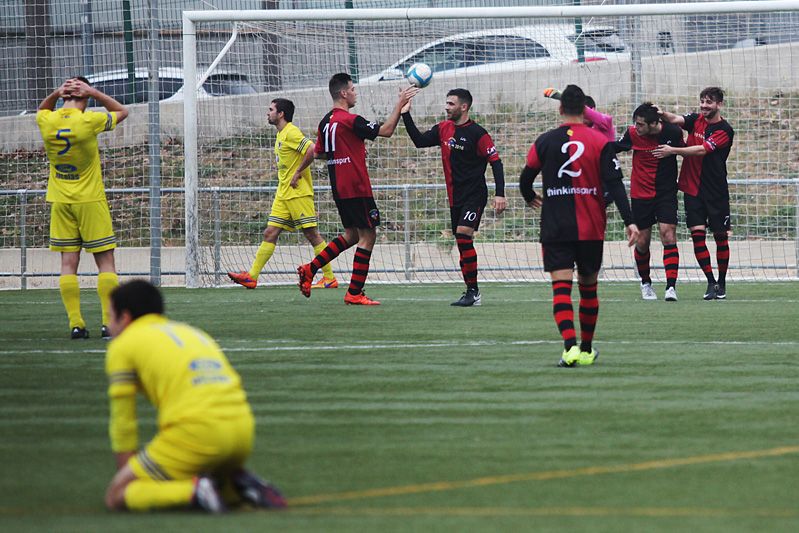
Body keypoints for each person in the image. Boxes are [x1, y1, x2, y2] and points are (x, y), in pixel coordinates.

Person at [103, 279, 286, 513]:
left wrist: (125, 476)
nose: (109, 326)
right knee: (198, 471)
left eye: (110, 317)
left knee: (117, 495)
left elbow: (124, 422)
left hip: (197, 436)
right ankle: (233, 486)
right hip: (243, 432)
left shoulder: (123, 345)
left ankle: (194, 491)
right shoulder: (191, 332)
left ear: (125, 317)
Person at [520, 85, 638, 367]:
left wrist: (530, 197)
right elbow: (615, 184)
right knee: (588, 289)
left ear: (561, 109)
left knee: (561, 289)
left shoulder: (545, 141)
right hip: (590, 227)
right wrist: (629, 220)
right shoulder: (599, 142)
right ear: (585, 110)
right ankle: (585, 350)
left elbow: (526, 177)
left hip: (556, 226)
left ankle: (569, 347)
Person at [294, 73, 418, 305]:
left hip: (339, 187)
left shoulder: (326, 121)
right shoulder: (350, 120)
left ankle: (310, 269)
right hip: (356, 186)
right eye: (352, 89)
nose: (355, 92)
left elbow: (319, 151)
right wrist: (400, 103)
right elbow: (387, 130)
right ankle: (354, 292)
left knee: (352, 234)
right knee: (368, 235)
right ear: (343, 93)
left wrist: (349, 149)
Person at [36, 77, 129, 340]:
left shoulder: (47, 121)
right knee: (106, 262)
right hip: (90, 200)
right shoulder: (88, 121)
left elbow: (42, 110)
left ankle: (76, 325)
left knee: (68, 264)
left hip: (60, 201)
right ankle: (108, 324)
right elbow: (122, 111)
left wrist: (55, 92)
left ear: (64, 96)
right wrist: (95, 92)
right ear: (85, 99)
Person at [401, 88, 506, 306]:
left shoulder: (478, 134)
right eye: (446, 103)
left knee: (463, 235)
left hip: (475, 195)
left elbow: (496, 162)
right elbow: (419, 141)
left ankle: (473, 292)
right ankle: (471, 291)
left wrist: (500, 194)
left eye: (451, 104)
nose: (446, 107)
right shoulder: (443, 129)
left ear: (464, 107)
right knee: (461, 241)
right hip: (454, 197)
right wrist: (405, 114)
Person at [227, 98, 337, 290]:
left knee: (312, 235)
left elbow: (311, 149)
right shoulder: (280, 135)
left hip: (297, 193)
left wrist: (297, 172)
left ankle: (329, 278)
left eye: (270, 110)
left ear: (281, 114)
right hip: (283, 194)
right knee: (270, 232)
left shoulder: (291, 132)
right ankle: (252, 277)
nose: (267, 113)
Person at [653, 87, 734, 300]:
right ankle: (711, 283)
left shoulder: (724, 130)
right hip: (691, 188)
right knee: (697, 236)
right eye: (702, 101)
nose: (704, 106)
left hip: (715, 192)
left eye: (709, 102)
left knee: (720, 237)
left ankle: (722, 282)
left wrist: (674, 151)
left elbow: (702, 150)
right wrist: (661, 113)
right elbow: (676, 118)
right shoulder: (695, 119)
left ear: (719, 105)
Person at [614, 103, 685, 301]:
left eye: (641, 124)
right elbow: (615, 147)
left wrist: (672, 151)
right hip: (640, 194)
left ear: (655, 123)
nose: (637, 128)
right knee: (643, 242)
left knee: (668, 234)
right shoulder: (632, 134)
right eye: (635, 124)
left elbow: (685, 150)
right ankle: (645, 283)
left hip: (666, 194)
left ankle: (671, 287)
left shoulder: (672, 132)